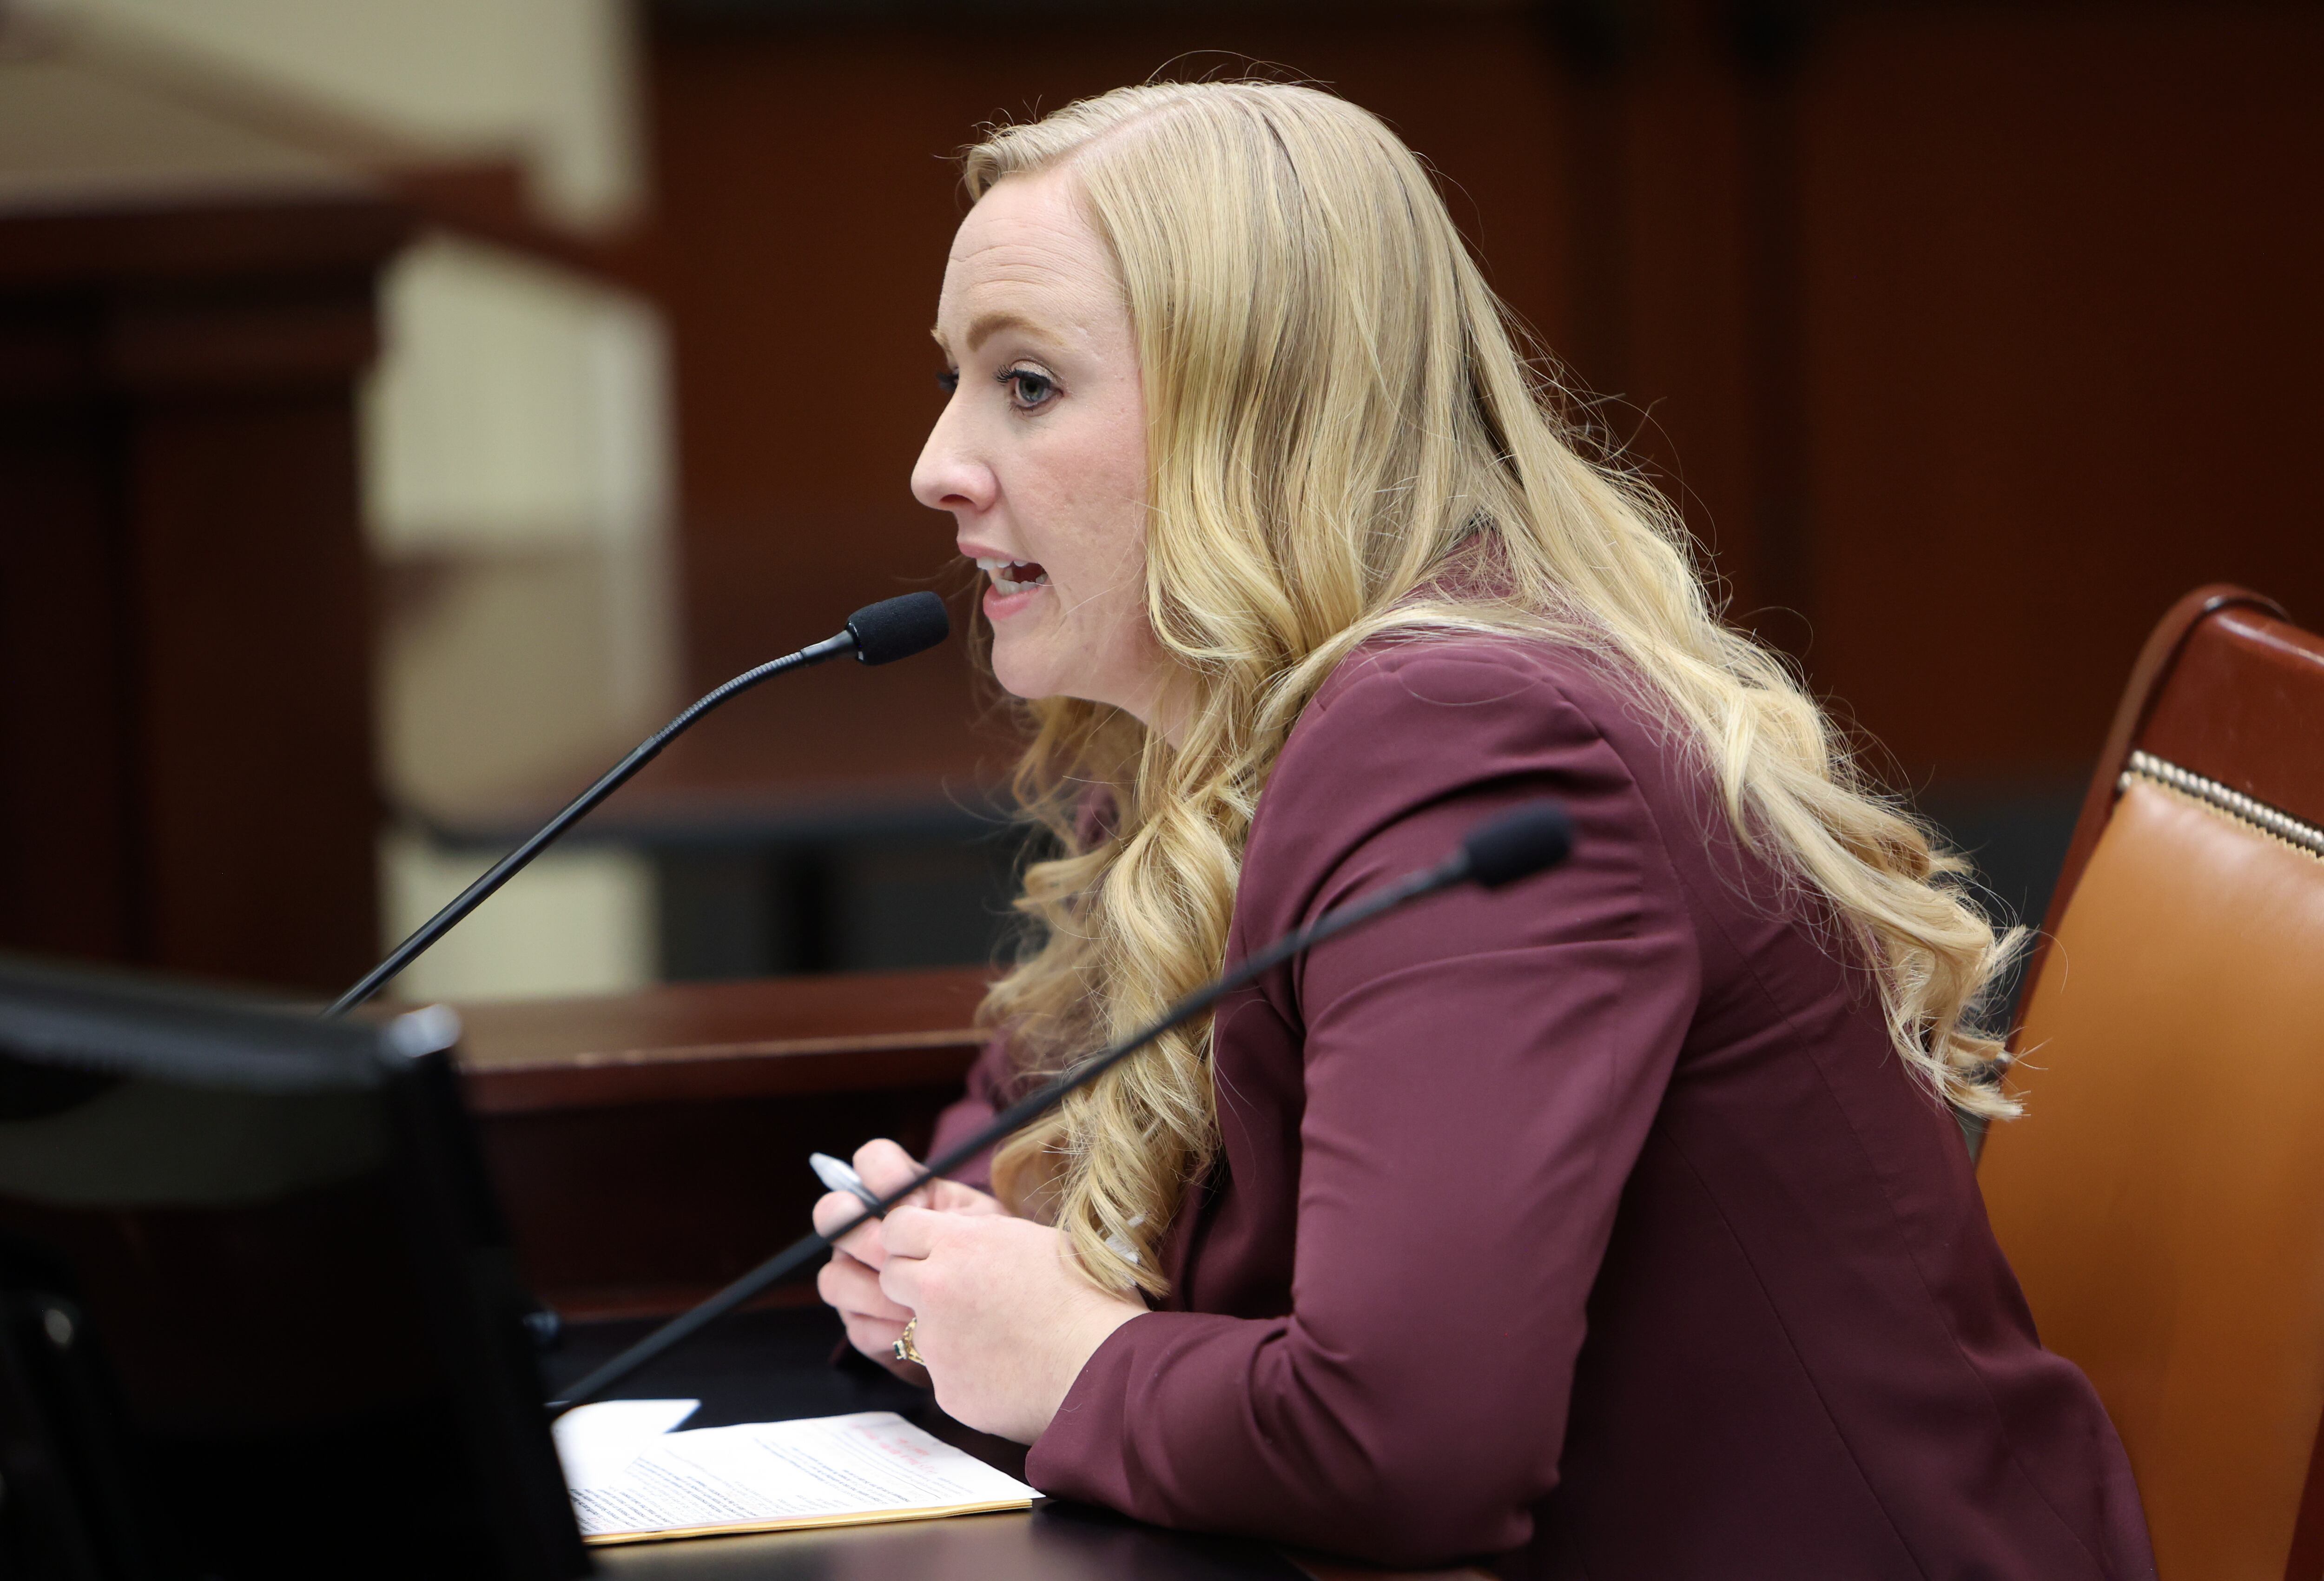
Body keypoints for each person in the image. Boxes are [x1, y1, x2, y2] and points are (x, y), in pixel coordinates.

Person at [811, 79, 2155, 1578]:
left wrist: (1061, 1351)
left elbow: (1403, 1442)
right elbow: (1029, 1148)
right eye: (955, 377)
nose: (940, 462)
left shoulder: (1466, 745)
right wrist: (931, 1248)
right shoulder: (1200, 726)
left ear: (1262, 411)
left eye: (1029, 385)